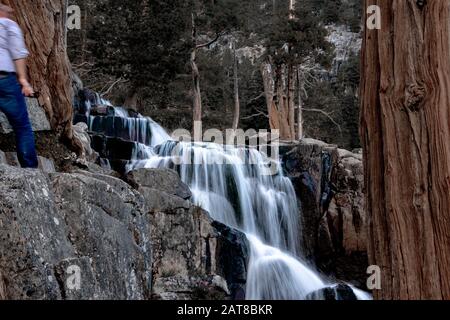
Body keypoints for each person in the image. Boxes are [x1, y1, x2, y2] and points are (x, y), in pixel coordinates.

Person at [0, 4, 38, 168]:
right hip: (4, 80)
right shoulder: (9, 25)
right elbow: (18, 53)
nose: (10, 15)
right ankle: (30, 170)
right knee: (22, 126)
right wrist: (23, 80)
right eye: (7, 12)